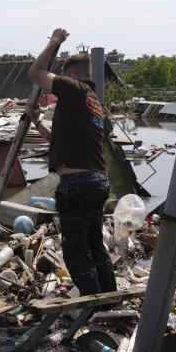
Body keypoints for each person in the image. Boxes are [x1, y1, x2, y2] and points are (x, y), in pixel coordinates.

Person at [27, 28, 116, 296]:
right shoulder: (92, 101)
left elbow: (35, 72)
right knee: (94, 245)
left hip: (77, 184)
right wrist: (36, 121)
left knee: (76, 250)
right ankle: (108, 300)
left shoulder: (73, 88)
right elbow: (58, 141)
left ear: (66, 75)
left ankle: (90, 304)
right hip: (96, 182)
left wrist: (54, 41)